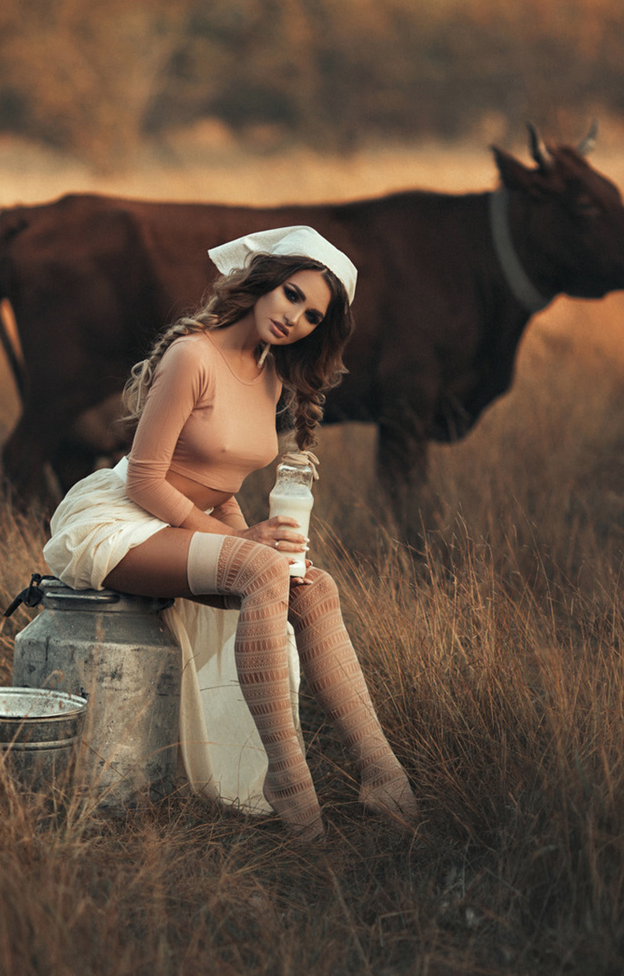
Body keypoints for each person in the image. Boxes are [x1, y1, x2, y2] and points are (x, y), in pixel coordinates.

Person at [41, 226, 418, 840]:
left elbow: (220, 488)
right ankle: (289, 782)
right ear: (265, 281)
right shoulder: (194, 355)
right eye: (292, 296)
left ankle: (383, 775)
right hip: (120, 520)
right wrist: (245, 549)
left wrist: (255, 540)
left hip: (182, 525)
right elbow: (144, 480)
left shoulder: (270, 373)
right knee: (261, 567)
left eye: (313, 315)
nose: (296, 317)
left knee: (314, 586)